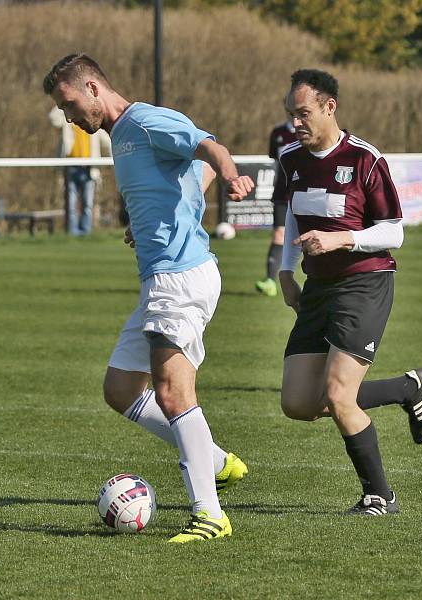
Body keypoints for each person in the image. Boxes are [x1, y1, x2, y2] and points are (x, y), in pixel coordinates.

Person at [43, 54, 255, 542]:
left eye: (70, 103)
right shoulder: (119, 136)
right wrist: (154, 222)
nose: (70, 116)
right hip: (159, 278)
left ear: (93, 87)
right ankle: (216, 461)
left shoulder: (146, 119)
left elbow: (209, 147)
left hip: (180, 278)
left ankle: (210, 514)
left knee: (173, 392)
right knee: (120, 388)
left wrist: (230, 175)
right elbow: (184, 177)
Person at [276, 69, 422, 517]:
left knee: (340, 395)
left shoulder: (365, 159)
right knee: (299, 403)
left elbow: (394, 233)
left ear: (330, 107)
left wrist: (342, 239)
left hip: (365, 282)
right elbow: (293, 212)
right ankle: (408, 388)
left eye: (303, 113)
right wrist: (287, 271)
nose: (296, 123)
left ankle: (379, 495)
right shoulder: (291, 158)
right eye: (291, 114)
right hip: (318, 287)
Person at [49, 105, 112, 236]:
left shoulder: (92, 125)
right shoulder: (68, 121)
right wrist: (64, 102)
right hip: (71, 166)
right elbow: (53, 118)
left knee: (87, 204)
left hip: (89, 168)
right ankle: (72, 233)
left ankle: (85, 233)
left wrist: (115, 158)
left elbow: (108, 142)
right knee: (70, 204)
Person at [255, 114, 297, 297]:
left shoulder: (311, 131)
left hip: (304, 193)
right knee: (279, 234)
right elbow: (275, 158)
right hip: (282, 194)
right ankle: (271, 281)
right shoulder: (278, 133)